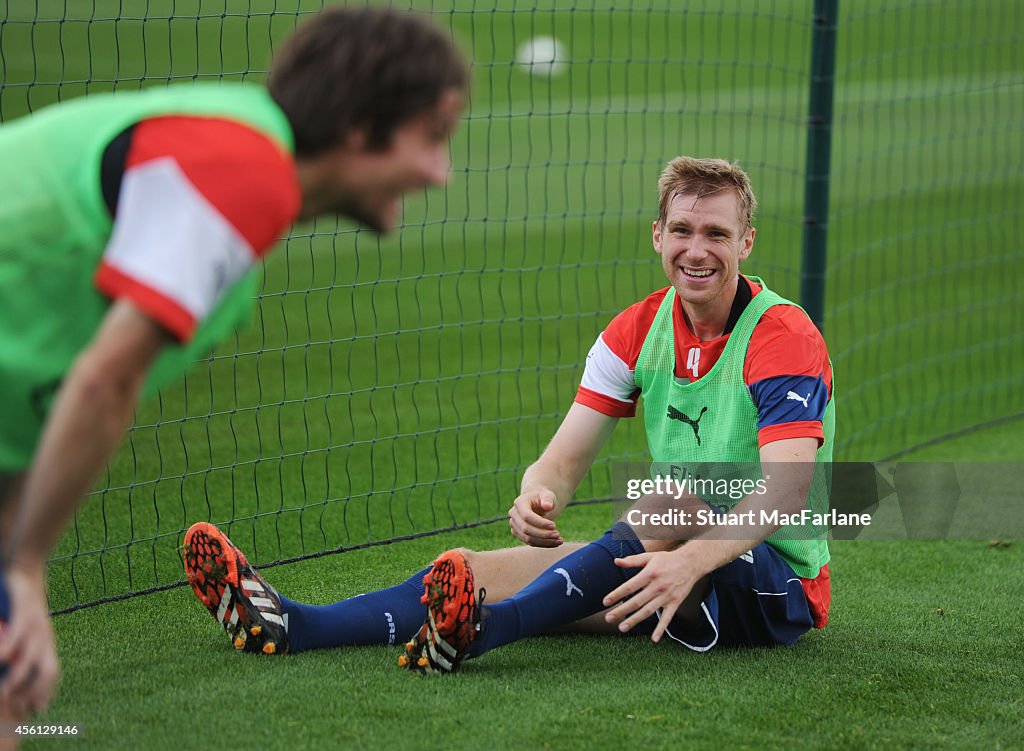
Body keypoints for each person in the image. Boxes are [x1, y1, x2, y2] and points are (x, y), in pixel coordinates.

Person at [184, 156, 835, 673]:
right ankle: (299, 627)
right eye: (684, 230)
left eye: (717, 233)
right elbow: (563, 460)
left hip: (775, 583)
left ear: (745, 242)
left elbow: (788, 488)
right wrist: (538, 493)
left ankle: (486, 630)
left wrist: (694, 561)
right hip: (674, 554)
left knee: (673, 500)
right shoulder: (635, 330)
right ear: (658, 235)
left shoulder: (781, 333)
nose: (698, 249)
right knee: (475, 568)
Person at [0, 5, 469, 721]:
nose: (441, 172)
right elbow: (104, 380)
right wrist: (25, 568)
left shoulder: (239, 171)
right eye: (432, 137)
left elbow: (33, 405)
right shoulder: (244, 167)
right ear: (359, 126)